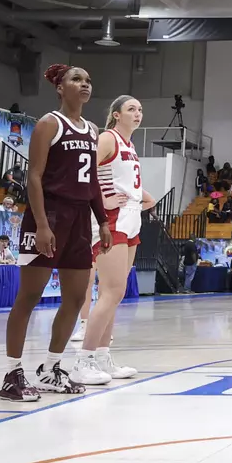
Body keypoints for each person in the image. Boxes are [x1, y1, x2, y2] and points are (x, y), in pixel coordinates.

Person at [3, 65, 112, 400]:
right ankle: (11, 374)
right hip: (48, 214)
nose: (84, 84)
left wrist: (103, 221)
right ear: (59, 88)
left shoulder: (93, 130)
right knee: (29, 296)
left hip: (80, 218)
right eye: (77, 79)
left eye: (88, 80)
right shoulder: (49, 123)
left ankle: (51, 368)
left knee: (77, 297)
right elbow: (33, 177)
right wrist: (43, 225)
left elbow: (92, 181)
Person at [81, 95, 155, 382]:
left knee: (115, 295)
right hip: (112, 222)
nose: (138, 114)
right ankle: (83, 361)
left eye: (140, 109)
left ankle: (102, 358)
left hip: (131, 219)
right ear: (115, 115)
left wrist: (141, 197)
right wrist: (102, 200)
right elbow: (85, 171)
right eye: (131, 109)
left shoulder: (130, 144)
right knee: (111, 292)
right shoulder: (107, 139)